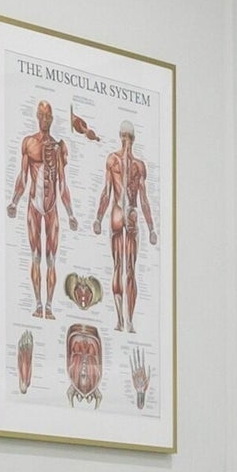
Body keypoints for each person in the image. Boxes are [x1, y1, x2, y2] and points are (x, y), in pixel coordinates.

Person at [4, 98, 75, 318]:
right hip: (34, 205)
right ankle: (37, 304)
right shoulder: (29, 143)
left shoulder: (58, 147)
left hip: (52, 207)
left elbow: (62, 184)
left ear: (52, 119)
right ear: (37, 116)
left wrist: (70, 213)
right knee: (35, 255)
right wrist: (14, 201)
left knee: (51, 258)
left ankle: (50, 306)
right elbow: (23, 176)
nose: (44, 119)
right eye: (41, 115)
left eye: (48, 116)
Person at [92, 119, 159, 333]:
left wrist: (99, 218)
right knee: (127, 268)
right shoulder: (135, 165)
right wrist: (151, 228)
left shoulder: (116, 161)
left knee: (122, 267)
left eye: (126, 137)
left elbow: (109, 193)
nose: (126, 141)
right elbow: (139, 198)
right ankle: (125, 321)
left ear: (122, 136)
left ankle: (124, 320)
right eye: (126, 137)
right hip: (127, 214)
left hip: (121, 214)